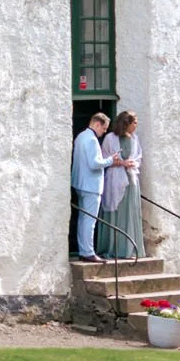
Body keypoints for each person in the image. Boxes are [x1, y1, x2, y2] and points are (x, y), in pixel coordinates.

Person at [97, 109, 144, 260]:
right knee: (116, 213)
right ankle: (113, 248)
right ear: (126, 123)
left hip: (131, 181)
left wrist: (131, 163)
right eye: (134, 122)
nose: (136, 125)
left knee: (130, 213)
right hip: (115, 181)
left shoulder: (134, 139)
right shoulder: (110, 138)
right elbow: (104, 159)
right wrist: (121, 163)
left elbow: (138, 157)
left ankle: (129, 249)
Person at [71, 111, 110, 259]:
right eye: (104, 128)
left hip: (80, 183)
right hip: (91, 185)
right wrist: (110, 160)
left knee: (83, 219)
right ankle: (88, 252)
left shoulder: (81, 136)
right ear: (97, 124)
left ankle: (83, 250)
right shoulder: (92, 140)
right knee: (90, 220)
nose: (104, 132)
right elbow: (95, 164)